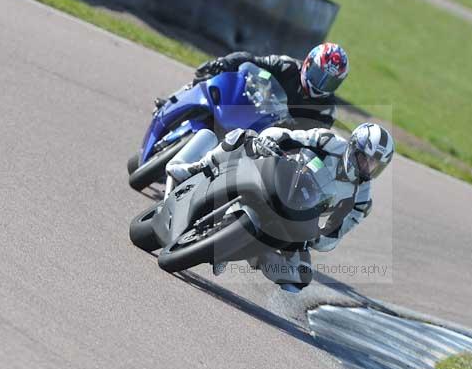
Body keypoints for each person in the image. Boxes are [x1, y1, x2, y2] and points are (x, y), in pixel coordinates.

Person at [166, 122, 395, 290]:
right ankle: (196, 168)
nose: (368, 168)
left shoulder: (362, 198)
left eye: (375, 165)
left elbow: (335, 233)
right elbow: (287, 135)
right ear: (354, 147)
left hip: (299, 217)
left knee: (300, 278)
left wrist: (317, 238)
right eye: (365, 158)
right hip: (278, 178)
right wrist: (267, 141)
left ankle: (246, 251)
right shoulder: (328, 141)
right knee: (242, 136)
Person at [193, 42, 350, 129]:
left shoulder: (328, 109)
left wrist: (289, 126)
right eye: (317, 75)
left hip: (268, 143)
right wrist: (223, 63)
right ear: (308, 63)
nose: (320, 84)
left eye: (330, 82)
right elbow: (252, 60)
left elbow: (313, 140)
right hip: (249, 109)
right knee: (210, 81)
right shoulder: (286, 66)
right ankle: (173, 103)